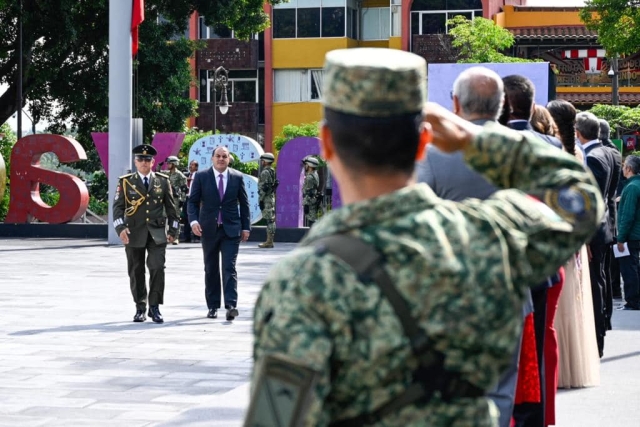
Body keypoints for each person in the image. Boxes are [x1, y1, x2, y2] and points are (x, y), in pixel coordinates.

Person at [249, 47, 602, 426]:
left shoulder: (302, 282)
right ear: (423, 142)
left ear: (328, 143)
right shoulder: (487, 238)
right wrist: (474, 139)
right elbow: (579, 199)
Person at [416, 65, 527, 427]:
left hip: (450, 288)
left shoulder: (434, 152)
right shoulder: (528, 151)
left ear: (456, 103)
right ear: (501, 105)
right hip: (509, 285)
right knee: (500, 388)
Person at [503, 75, 564, 427]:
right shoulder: (551, 146)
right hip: (540, 263)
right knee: (536, 351)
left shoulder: (482, 144)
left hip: (498, 264)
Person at [546, 100, 600, 390]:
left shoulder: (550, 150)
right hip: (573, 231)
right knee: (571, 297)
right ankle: (571, 366)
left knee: (555, 299)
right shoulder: (577, 153)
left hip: (554, 229)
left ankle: (557, 368)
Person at [113, 144, 179, 324]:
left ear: (153, 162)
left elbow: (172, 210)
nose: (144, 162)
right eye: (140, 159)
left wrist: (173, 230)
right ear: (135, 162)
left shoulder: (163, 181)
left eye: (147, 159)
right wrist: (120, 229)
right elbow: (117, 209)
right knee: (136, 271)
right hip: (134, 233)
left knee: (157, 268)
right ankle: (140, 307)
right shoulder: (126, 182)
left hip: (157, 234)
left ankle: (155, 307)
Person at [188, 146, 251, 321]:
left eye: (224, 156)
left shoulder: (237, 177)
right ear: (212, 158)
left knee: (229, 267)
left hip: (231, 229)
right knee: (211, 268)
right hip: (208, 229)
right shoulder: (201, 176)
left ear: (229, 159)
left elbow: (244, 204)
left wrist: (246, 227)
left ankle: (231, 305)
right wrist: (193, 221)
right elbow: (192, 202)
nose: (221, 159)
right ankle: (213, 306)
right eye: (218, 156)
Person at [576, 111, 617, 358]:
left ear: (579, 133)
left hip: (594, 230)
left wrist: (586, 237)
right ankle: (599, 332)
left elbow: (591, 202)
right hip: (604, 226)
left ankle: (597, 337)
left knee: (594, 283)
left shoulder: (592, 158)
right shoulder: (606, 153)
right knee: (600, 279)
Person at [599, 119, 623, 306]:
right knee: (608, 266)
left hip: (603, 217)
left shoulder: (599, 154)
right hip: (611, 216)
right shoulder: (615, 153)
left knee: (603, 268)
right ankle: (609, 301)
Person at [616, 155, 640, 310]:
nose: (623, 169)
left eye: (624, 166)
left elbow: (628, 215)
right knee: (635, 267)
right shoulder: (635, 185)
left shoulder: (631, 187)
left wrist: (621, 237)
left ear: (629, 169)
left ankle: (632, 301)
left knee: (629, 269)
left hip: (631, 235)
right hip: (636, 234)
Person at [164, 156, 188, 245]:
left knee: (175, 219)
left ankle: (175, 237)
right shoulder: (167, 173)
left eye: (169, 163)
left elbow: (184, 189)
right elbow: (157, 173)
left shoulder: (180, 175)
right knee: (164, 217)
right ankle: (166, 236)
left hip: (176, 199)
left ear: (174, 164)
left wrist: (182, 200)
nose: (167, 165)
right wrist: (159, 166)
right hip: (166, 199)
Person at [257, 152, 277, 248]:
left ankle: (269, 242)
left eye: (263, 160)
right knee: (271, 219)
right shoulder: (272, 170)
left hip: (266, 198)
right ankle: (270, 241)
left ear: (266, 161)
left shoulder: (265, 172)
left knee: (270, 220)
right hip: (271, 197)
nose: (262, 162)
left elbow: (264, 188)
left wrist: (261, 200)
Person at [182, 160, 199, 243]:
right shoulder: (186, 175)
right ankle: (187, 237)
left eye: (193, 165)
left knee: (196, 217)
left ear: (196, 167)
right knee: (186, 217)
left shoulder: (199, 176)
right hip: (187, 197)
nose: (191, 166)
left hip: (196, 198)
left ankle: (197, 236)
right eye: (190, 164)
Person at [302, 156, 321, 227]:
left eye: (306, 164)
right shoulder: (315, 174)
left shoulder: (310, 177)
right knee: (312, 219)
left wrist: (306, 204)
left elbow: (308, 192)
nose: (305, 166)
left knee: (311, 220)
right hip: (313, 199)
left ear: (310, 166)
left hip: (310, 201)